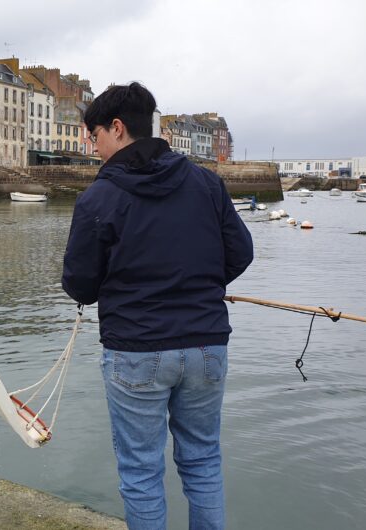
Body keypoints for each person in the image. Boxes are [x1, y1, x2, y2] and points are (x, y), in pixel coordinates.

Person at [62, 83, 253, 529]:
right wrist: (199, 285)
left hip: (137, 349)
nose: (93, 148)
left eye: (95, 137)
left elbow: (80, 285)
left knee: (142, 472)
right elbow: (240, 252)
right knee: (203, 460)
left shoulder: (99, 198)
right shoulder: (206, 183)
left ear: (117, 128)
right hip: (206, 344)